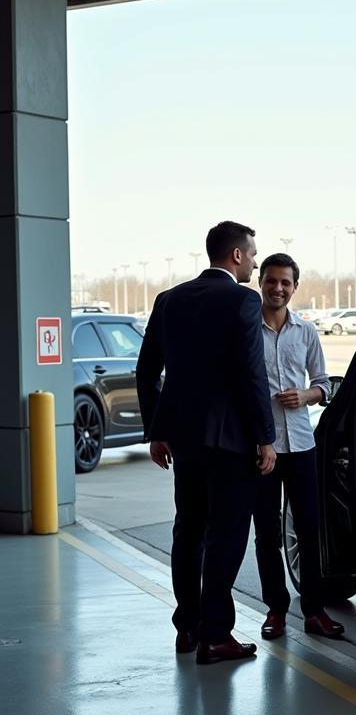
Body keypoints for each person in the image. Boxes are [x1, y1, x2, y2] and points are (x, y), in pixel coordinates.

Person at [137, 221, 277, 665]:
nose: (255, 262)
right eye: (253, 254)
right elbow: (252, 375)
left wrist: (157, 430)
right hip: (232, 440)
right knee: (228, 533)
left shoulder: (169, 299)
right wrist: (265, 437)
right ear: (236, 255)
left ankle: (189, 627)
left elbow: (146, 372)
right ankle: (216, 636)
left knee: (189, 528)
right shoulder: (242, 300)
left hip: (183, 439)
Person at [253, 253, 344, 641]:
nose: (278, 288)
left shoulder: (306, 332)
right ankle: (275, 610)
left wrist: (307, 394)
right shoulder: (247, 331)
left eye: (285, 283)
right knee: (267, 534)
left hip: (302, 444)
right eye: (271, 280)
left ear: (294, 287)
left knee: (309, 530)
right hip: (262, 448)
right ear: (261, 281)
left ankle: (314, 611)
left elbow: (324, 384)